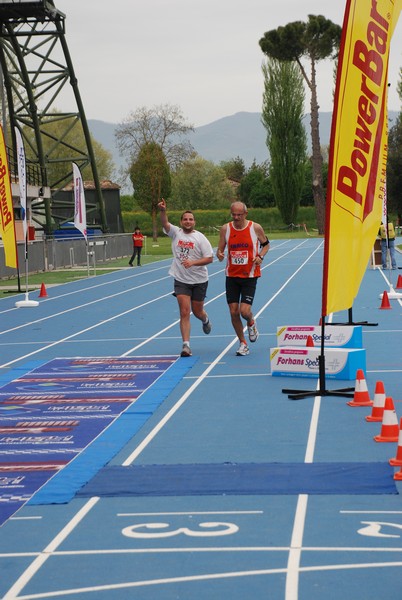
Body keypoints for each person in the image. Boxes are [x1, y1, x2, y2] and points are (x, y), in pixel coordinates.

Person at [158, 198, 213, 357]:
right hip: (181, 279)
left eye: (190, 219)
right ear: (181, 221)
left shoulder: (200, 238)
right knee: (184, 311)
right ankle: (186, 345)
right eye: (185, 219)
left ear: (194, 222)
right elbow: (164, 223)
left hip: (199, 280)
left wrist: (193, 262)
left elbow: (209, 258)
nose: (188, 222)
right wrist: (163, 210)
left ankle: (205, 319)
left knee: (197, 311)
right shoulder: (176, 233)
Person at [217, 201, 269, 356]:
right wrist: (219, 254)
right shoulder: (226, 229)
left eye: (239, 214)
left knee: (244, 311)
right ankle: (243, 343)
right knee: (233, 312)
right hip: (232, 275)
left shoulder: (255, 228)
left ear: (246, 214)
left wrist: (260, 256)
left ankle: (251, 322)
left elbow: (266, 245)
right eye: (233, 214)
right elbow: (220, 250)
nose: (236, 217)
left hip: (250, 275)